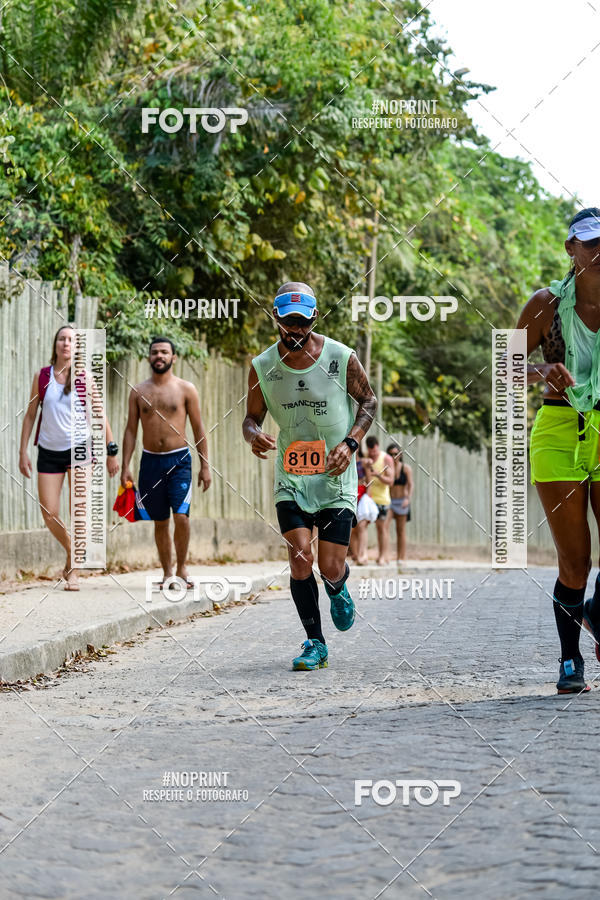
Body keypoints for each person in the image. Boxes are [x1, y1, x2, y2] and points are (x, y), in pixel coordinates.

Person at [243, 281, 377, 670]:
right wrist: (253, 436)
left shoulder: (340, 356)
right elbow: (251, 418)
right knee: (301, 558)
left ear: (315, 319)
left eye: (303, 322)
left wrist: (351, 444)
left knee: (329, 567)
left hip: (335, 473)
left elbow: (368, 400)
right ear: (276, 319)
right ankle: (314, 642)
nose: (295, 330)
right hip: (292, 475)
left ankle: (338, 587)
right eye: (288, 322)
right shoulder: (263, 366)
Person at [518, 206, 600, 693]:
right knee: (576, 560)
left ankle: (597, 613)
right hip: (558, 427)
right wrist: (541, 371)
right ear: (571, 249)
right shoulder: (545, 304)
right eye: (590, 243)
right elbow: (504, 365)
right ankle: (570, 661)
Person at [19, 323, 120, 590]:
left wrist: (112, 451)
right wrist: (23, 451)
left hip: (80, 449)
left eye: (71, 340)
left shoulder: (85, 378)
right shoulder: (42, 376)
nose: (66, 343)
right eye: (62, 339)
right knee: (49, 512)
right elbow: (31, 415)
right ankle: (72, 553)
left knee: (80, 511)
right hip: (48, 451)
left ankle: (73, 571)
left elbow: (100, 414)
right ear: (56, 345)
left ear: (77, 348)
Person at [120, 337, 211, 588]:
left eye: (164, 352)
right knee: (160, 520)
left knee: (181, 516)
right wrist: (125, 465)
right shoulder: (138, 391)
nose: (159, 356)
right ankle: (167, 573)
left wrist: (205, 465)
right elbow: (130, 430)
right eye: (154, 352)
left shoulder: (186, 389)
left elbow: (198, 428)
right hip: (150, 463)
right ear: (149, 357)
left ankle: (182, 568)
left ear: (173, 358)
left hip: (179, 460)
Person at [363, 435, 394, 565]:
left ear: (378, 446)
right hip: (368, 499)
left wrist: (378, 475)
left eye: (374, 451)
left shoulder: (386, 459)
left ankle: (383, 556)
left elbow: (391, 481)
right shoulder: (366, 457)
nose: (372, 454)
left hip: (382, 499)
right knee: (362, 525)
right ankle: (362, 555)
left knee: (382, 529)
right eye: (370, 451)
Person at [350, 453, 378, 564]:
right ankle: (356, 555)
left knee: (362, 526)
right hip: (350, 494)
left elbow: (369, 479)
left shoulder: (363, 462)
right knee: (352, 528)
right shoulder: (346, 461)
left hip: (361, 493)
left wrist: (368, 493)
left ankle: (363, 554)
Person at [387, 443, 413, 561]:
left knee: (400, 530)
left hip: (402, 501)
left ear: (400, 454)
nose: (393, 456)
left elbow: (411, 484)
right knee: (384, 527)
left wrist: (408, 498)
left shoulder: (405, 468)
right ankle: (385, 556)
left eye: (395, 454)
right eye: (391, 454)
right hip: (390, 502)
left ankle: (401, 558)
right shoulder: (386, 468)